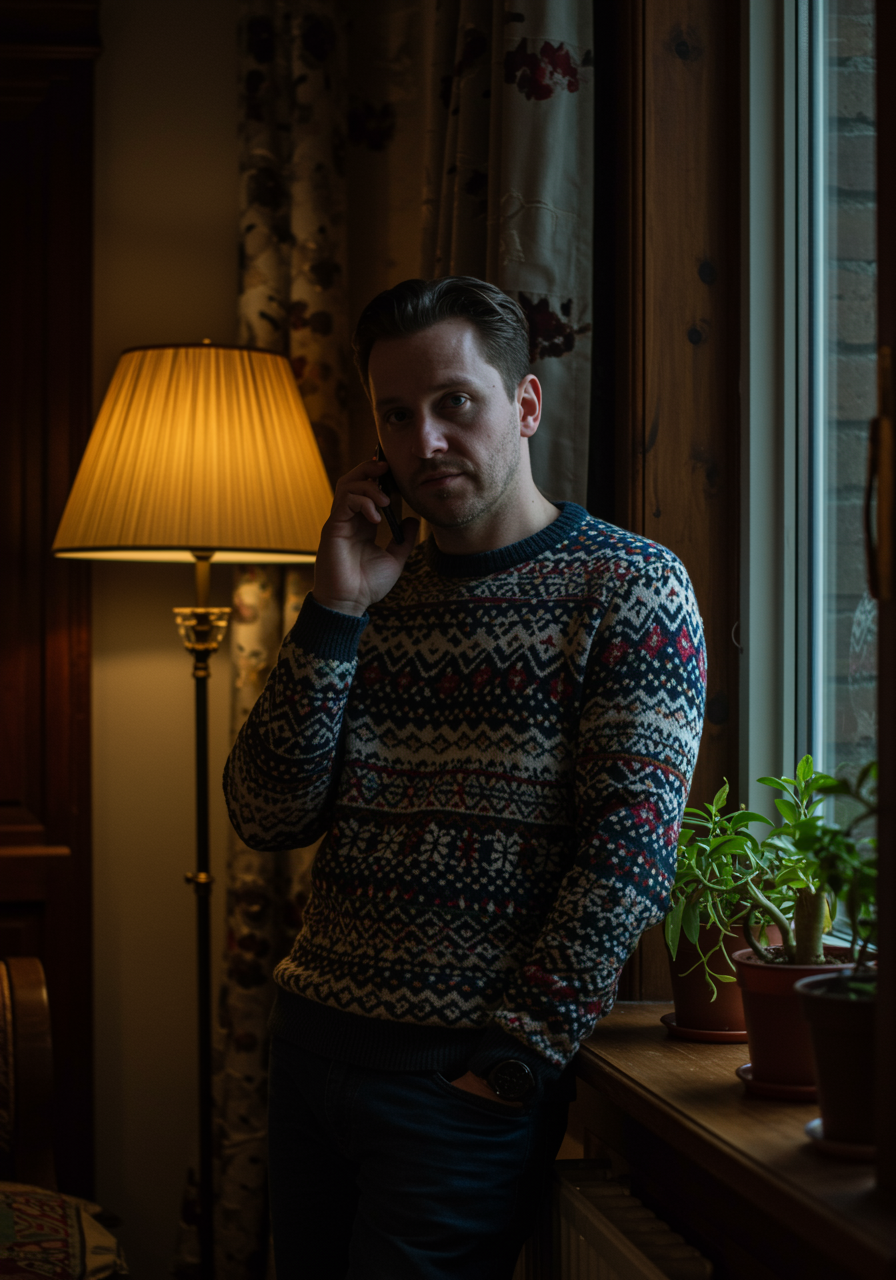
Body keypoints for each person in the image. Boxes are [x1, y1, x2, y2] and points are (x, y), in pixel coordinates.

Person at [223, 276, 706, 1280]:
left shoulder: (629, 586)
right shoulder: (373, 588)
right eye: (396, 415)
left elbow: (627, 851)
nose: (426, 441)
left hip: (456, 1087)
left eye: (455, 403)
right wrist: (335, 610)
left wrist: (511, 1063)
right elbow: (266, 811)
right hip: (312, 1050)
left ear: (525, 404)